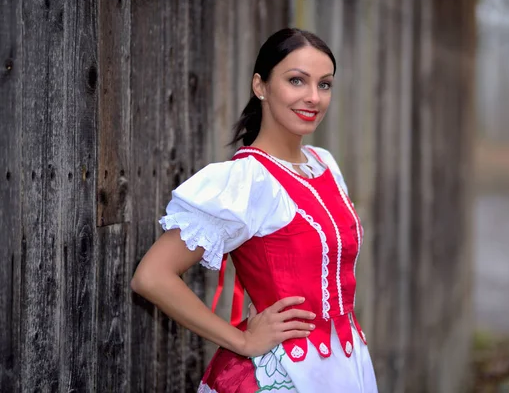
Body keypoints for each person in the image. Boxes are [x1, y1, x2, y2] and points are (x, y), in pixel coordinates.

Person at [131, 27, 378, 393]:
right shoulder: (246, 180)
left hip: (345, 366)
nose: (313, 97)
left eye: (324, 84)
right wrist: (242, 341)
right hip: (281, 375)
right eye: (297, 81)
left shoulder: (323, 163)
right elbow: (152, 276)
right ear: (260, 86)